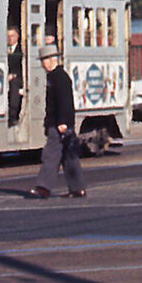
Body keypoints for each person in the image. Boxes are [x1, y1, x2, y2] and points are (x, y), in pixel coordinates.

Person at [30, 42, 85, 199]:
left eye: (43, 60)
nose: (42, 64)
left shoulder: (58, 77)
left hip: (59, 124)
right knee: (69, 157)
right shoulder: (57, 76)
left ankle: (44, 187)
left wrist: (62, 122)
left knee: (51, 154)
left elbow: (64, 102)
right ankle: (78, 189)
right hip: (60, 123)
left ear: (50, 60)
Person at [5, 25, 25, 126]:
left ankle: (13, 115)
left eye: (12, 36)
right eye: (8, 36)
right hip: (6, 76)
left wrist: (12, 75)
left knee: (14, 84)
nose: (9, 38)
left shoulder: (21, 50)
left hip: (18, 77)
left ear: (17, 37)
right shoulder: (4, 49)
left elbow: (21, 67)